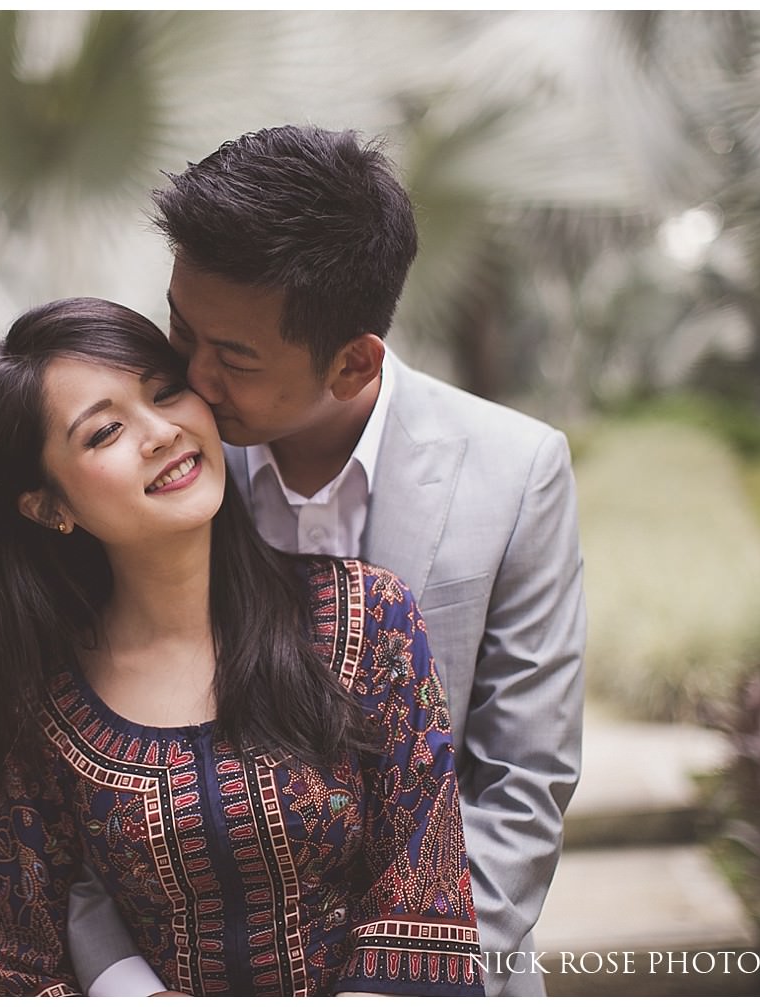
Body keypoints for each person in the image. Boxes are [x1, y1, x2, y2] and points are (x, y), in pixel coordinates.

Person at [69, 126, 586, 996]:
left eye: (232, 356)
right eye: (181, 327)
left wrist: (404, 983)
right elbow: (69, 780)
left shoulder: (516, 473)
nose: (191, 377)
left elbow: (519, 784)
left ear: (353, 363)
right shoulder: (154, 472)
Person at [0, 297, 485, 997]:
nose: (160, 432)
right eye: (106, 430)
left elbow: (425, 881)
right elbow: (21, 951)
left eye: (165, 390)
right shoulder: (41, 703)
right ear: (49, 505)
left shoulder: (367, 616)